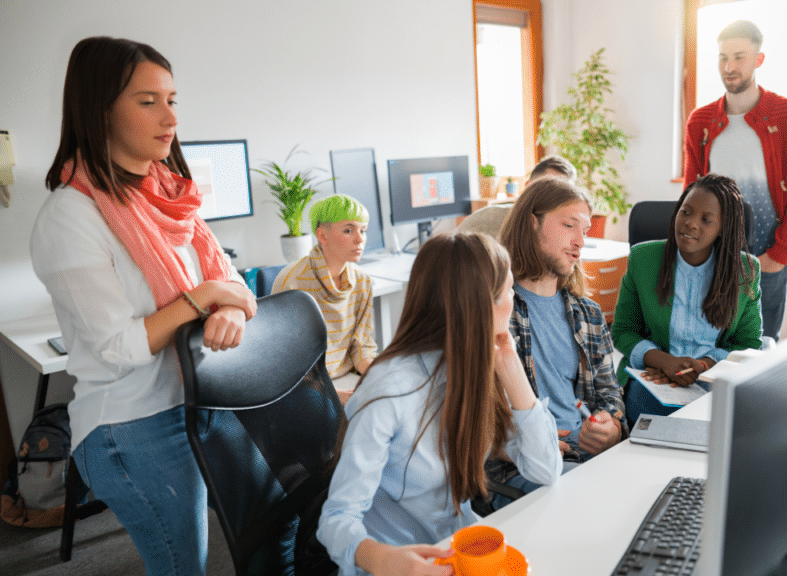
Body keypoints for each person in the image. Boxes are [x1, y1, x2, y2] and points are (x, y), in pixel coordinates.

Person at [30, 37, 257, 575]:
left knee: (264, 529)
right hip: (133, 425)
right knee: (184, 568)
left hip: (199, 401)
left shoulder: (168, 196)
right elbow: (118, 346)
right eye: (147, 101)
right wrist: (202, 299)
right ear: (99, 108)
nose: (170, 117)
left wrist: (227, 309)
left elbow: (233, 285)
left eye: (172, 99)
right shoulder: (72, 218)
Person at [317, 232, 561, 576]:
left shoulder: (476, 365)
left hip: (455, 551)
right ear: (478, 306)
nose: (515, 300)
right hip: (398, 565)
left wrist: (514, 372)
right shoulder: (390, 391)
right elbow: (336, 518)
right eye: (508, 290)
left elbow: (546, 470)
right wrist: (382, 559)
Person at [488, 177, 626, 505]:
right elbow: (461, 409)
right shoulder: (496, 308)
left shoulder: (587, 313)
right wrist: (505, 446)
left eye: (586, 230)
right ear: (532, 224)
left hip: (588, 456)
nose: (580, 241)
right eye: (569, 225)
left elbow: (610, 393)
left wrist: (612, 428)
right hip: (523, 468)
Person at [683, 19, 787, 341]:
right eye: (722, 57)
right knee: (706, 339)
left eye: (739, 56)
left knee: (761, 344)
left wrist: (779, 254)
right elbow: (690, 192)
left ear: (759, 59)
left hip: (768, 252)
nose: (729, 67)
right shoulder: (700, 121)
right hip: (714, 251)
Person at [612, 174, 763, 424]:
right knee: (661, 422)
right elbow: (623, 331)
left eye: (706, 219)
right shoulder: (643, 259)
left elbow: (748, 343)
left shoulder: (745, 271)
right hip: (654, 375)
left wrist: (703, 365)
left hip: (714, 377)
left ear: (723, 227)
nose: (691, 224)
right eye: (686, 212)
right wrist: (664, 361)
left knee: (729, 426)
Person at [272, 194, 377, 402]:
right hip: (303, 387)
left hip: (345, 378)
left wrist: (377, 375)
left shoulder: (362, 281)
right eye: (348, 230)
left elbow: (362, 345)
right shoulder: (293, 282)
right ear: (322, 236)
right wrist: (332, 395)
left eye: (363, 230)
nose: (359, 239)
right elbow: (288, 361)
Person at [456, 155, 578, 237]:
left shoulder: (560, 233)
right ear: (528, 187)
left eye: (563, 195)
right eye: (548, 189)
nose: (554, 199)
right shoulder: (485, 221)